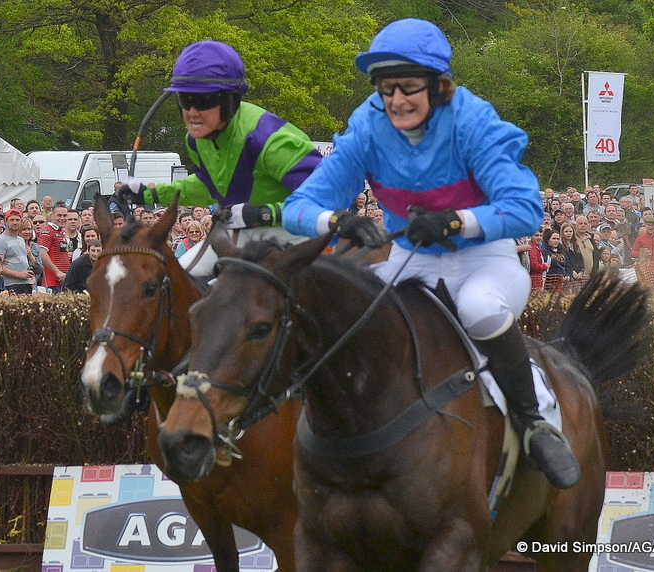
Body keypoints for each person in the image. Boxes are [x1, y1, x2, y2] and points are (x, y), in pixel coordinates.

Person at [282, 18, 579, 488]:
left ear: (439, 86)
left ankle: (534, 421)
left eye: (408, 87)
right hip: (412, 259)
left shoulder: (472, 120)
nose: (396, 100)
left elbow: (525, 209)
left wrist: (456, 221)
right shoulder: (367, 125)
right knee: (353, 316)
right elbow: (298, 207)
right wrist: (337, 222)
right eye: (386, 88)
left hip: (485, 257)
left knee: (478, 308)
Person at [116, 39, 320, 250]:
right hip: (241, 234)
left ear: (230, 101)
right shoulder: (195, 141)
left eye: (203, 101)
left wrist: (266, 214)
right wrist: (149, 194)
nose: (192, 112)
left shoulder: (269, 140)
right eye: (185, 99)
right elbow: (209, 186)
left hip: (299, 234)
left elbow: (326, 194)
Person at [0, 209, 34, 295]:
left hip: (26, 284)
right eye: (12, 220)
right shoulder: (1, 241)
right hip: (11, 285)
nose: (15, 222)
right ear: (5, 222)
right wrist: (19, 274)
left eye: (17, 220)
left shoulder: (21, 239)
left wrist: (31, 277)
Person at [38, 202, 70, 293]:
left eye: (65, 215)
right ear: (51, 216)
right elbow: (42, 253)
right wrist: (57, 272)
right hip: (52, 283)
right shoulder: (48, 232)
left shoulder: (61, 232)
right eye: (59, 215)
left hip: (62, 282)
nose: (62, 218)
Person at [19, 217, 44, 287]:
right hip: (19, 283)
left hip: (33, 284)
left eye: (29, 229)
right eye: (24, 229)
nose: (27, 232)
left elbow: (39, 270)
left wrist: (30, 256)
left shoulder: (35, 246)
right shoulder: (15, 245)